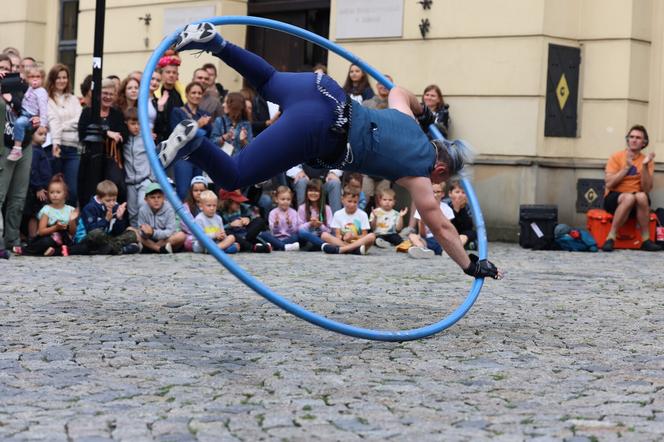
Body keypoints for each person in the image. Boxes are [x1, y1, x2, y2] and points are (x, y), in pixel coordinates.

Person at [157, 23, 501, 278]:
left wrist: (424, 114)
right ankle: (194, 143)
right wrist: (471, 265)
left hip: (322, 89)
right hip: (321, 128)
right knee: (234, 174)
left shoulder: (407, 115)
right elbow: (442, 228)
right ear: (441, 169)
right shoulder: (420, 179)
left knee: (268, 81)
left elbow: (401, 90)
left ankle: (214, 42)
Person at [602, 125, 661, 252]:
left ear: (644, 143)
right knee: (629, 198)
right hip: (615, 198)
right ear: (627, 139)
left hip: (638, 201)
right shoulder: (616, 157)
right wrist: (626, 168)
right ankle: (610, 238)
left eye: (638, 138)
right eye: (631, 137)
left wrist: (644, 166)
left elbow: (646, 189)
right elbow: (609, 184)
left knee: (640, 196)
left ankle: (646, 240)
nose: (634, 140)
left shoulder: (647, 160)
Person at [77, 78, 128, 206]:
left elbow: (124, 136)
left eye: (111, 94)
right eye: (105, 93)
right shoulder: (88, 112)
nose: (108, 97)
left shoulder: (117, 114)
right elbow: (82, 133)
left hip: (111, 160)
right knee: (89, 194)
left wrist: (114, 135)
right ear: (98, 94)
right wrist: (106, 133)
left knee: (115, 191)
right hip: (91, 162)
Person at [0, 54, 32, 258]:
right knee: (0, 194)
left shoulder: (20, 87)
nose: (3, 71)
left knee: (18, 197)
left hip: (24, 143)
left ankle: (13, 239)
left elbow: (29, 111)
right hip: (3, 146)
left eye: (6, 68)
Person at [46, 63, 82, 206]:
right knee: (55, 192)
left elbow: (79, 121)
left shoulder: (73, 99)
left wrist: (62, 125)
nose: (62, 80)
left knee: (72, 191)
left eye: (64, 77)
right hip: (57, 149)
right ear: (53, 79)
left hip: (73, 148)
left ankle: (69, 226)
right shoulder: (47, 99)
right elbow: (52, 121)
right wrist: (57, 140)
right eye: (58, 78)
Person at [73, 180, 141, 255]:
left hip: (107, 239)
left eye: (114, 200)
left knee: (132, 233)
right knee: (97, 233)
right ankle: (120, 249)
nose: (112, 203)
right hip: (86, 239)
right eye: (108, 200)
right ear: (99, 198)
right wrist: (106, 220)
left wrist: (119, 218)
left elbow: (117, 232)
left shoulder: (116, 207)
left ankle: (110, 249)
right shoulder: (90, 208)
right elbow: (90, 230)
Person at [170, 81, 211, 200]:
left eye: (199, 93)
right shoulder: (178, 112)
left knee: (200, 194)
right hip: (184, 157)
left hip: (200, 157)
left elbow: (208, 135)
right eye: (193, 92)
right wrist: (198, 125)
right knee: (183, 192)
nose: (196, 95)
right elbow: (178, 134)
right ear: (187, 94)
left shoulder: (204, 114)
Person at [23, 174, 78, 256]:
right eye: (52, 192)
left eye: (58, 192)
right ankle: (26, 250)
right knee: (47, 241)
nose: (55, 195)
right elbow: (41, 231)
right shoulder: (46, 209)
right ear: (48, 194)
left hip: (64, 239)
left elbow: (72, 232)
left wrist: (72, 220)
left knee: (80, 246)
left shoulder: (70, 209)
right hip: (49, 237)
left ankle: (55, 251)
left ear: (65, 194)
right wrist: (56, 227)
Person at [7, 66, 47, 161]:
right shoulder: (29, 89)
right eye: (32, 77)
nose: (35, 79)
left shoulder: (41, 92)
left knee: (19, 123)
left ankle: (17, 149)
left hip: (30, 115)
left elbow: (44, 109)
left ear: (42, 79)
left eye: (38, 76)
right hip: (22, 111)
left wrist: (43, 124)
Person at [321, 185, 375, 255]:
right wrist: (344, 237)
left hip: (358, 242)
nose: (352, 204)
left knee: (372, 236)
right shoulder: (338, 214)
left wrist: (354, 237)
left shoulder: (363, 214)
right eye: (349, 201)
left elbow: (364, 236)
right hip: (343, 242)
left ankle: (342, 249)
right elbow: (338, 235)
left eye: (355, 202)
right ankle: (353, 250)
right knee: (324, 235)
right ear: (342, 200)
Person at [407, 182, 454, 259]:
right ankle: (422, 249)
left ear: (442, 194)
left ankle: (445, 252)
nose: (435, 195)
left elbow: (447, 232)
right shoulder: (420, 207)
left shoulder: (447, 209)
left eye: (438, 192)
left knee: (454, 238)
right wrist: (422, 223)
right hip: (426, 240)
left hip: (441, 241)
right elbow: (422, 235)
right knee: (412, 236)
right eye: (432, 192)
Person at [122, 107, 152, 227]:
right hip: (130, 182)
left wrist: (153, 179)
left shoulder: (146, 139)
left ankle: (146, 232)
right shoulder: (125, 139)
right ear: (126, 123)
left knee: (142, 204)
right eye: (133, 123)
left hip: (144, 179)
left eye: (139, 124)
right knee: (132, 212)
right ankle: (137, 237)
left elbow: (154, 158)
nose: (136, 127)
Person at [137, 182, 186, 253]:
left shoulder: (169, 209)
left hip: (164, 240)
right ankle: (158, 249)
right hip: (149, 239)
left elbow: (170, 231)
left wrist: (153, 233)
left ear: (163, 198)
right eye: (152, 197)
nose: (156, 200)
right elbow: (140, 229)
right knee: (132, 230)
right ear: (146, 199)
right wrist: (145, 233)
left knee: (181, 236)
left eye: (159, 197)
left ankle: (150, 248)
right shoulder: (142, 210)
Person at [23, 126, 52, 239]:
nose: (44, 137)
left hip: (42, 189)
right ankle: (32, 237)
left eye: (45, 134)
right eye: (40, 134)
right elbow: (32, 170)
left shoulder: (40, 149)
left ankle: (35, 236)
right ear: (31, 135)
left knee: (38, 214)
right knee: (34, 215)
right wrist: (38, 187)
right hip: (35, 190)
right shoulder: (33, 151)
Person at [192, 189, 238, 254]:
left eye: (214, 205)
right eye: (209, 205)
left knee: (232, 237)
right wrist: (214, 235)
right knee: (233, 248)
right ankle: (219, 250)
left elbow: (222, 232)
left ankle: (215, 250)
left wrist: (223, 236)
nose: (212, 208)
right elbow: (200, 237)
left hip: (215, 243)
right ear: (201, 206)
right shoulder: (199, 219)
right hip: (202, 244)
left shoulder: (218, 218)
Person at [258, 186, 300, 251]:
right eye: (283, 199)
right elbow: (273, 231)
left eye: (288, 199)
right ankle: (284, 247)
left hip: (289, 238)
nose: (285, 202)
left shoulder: (294, 213)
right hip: (276, 238)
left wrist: (290, 224)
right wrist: (276, 224)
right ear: (276, 199)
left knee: (296, 237)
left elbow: (295, 230)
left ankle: (278, 246)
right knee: (263, 234)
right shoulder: (273, 213)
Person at [210, 91, 252, 156]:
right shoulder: (220, 121)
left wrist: (243, 140)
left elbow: (251, 149)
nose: (223, 105)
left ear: (235, 106)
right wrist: (223, 138)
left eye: (226, 102)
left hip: (239, 160)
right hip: (222, 159)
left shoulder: (246, 124)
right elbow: (212, 142)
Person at [297, 178, 333, 251]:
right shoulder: (302, 208)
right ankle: (324, 246)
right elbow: (299, 229)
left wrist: (320, 225)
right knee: (301, 233)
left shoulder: (327, 209)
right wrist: (310, 223)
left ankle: (321, 245)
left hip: (321, 237)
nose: (313, 193)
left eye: (316, 191)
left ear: (321, 193)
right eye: (310, 190)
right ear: (306, 192)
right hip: (306, 239)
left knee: (328, 236)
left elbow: (329, 230)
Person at [180, 175, 208, 252]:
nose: (199, 193)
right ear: (191, 192)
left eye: (201, 190)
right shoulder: (186, 206)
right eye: (196, 190)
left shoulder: (211, 205)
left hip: (209, 233)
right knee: (187, 242)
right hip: (193, 236)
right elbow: (185, 225)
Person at [447, 179, 477, 250]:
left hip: (463, 234)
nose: (460, 195)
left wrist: (462, 208)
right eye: (457, 192)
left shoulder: (469, 207)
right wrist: (456, 209)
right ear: (450, 194)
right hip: (449, 232)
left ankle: (454, 248)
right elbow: (447, 224)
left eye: (463, 192)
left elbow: (468, 227)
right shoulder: (446, 205)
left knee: (471, 233)